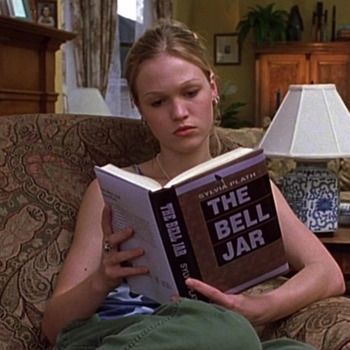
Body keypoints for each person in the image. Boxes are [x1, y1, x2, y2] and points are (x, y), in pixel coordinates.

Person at [41, 20, 345, 349]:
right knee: (229, 333)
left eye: (190, 92)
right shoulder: (109, 191)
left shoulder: (251, 184)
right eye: (158, 102)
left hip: (216, 331)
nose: (179, 112)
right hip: (124, 330)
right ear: (139, 108)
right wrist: (102, 278)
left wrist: (258, 308)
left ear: (212, 88)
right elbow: (54, 325)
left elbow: (328, 272)